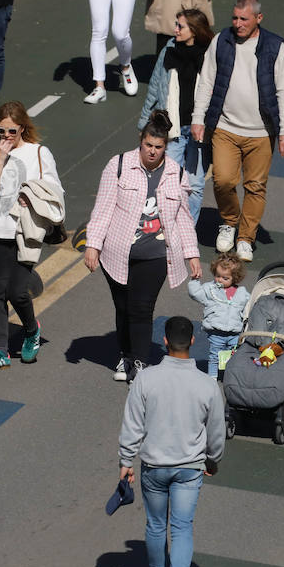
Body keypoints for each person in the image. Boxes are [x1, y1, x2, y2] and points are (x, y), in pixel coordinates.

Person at [118, 316, 225, 567]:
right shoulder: (207, 384)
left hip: (153, 466)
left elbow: (133, 424)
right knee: (181, 527)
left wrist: (126, 460)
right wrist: (212, 460)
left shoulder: (146, 379)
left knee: (155, 525)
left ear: (164, 341)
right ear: (192, 341)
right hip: (190, 467)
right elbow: (216, 431)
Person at [84, 111, 202, 382]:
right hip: (116, 253)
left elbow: (183, 217)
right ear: (141, 141)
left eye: (158, 147)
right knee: (123, 308)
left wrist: (191, 255)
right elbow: (102, 209)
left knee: (142, 308)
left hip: (156, 255)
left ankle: (139, 363)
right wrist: (93, 245)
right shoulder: (119, 165)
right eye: (148, 145)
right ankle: (125, 355)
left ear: (166, 147)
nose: (152, 151)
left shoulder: (177, 173)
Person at [191, 0, 284, 262]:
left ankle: (246, 238)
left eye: (244, 19)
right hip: (225, 127)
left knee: (255, 186)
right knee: (223, 180)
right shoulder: (221, 41)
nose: (237, 24)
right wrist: (198, 118)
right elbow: (206, 81)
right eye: (234, 18)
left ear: (258, 18)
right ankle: (228, 222)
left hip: (261, 132)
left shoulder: (274, 47)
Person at [0, 102, 61, 371]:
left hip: (27, 231)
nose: (6, 137)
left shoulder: (39, 153)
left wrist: (31, 196)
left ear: (22, 127)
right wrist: (0, 159)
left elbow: (55, 189)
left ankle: (32, 330)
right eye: (1, 130)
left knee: (17, 291)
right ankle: (0, 351)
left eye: (12, 131)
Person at [139, 9, 215, 221]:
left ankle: (187, 232)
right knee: (168, 181)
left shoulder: (210, 54)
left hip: (200, 131)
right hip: (173, 130)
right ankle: (167, 227)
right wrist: (144, 123)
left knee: (195, 184)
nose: (175, 29)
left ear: (195, 30)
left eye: (180, 26)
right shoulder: (169, 50)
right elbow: (154, 87)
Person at [186, 253, 249, 380]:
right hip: (216, 333)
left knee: (234, 356)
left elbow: (249, 307)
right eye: (217, 276)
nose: (219, 279)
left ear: (235, 278)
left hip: (234, 333)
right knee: (214, 356)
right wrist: (194, 281)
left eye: (225, 278)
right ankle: (212, 377)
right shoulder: (210, 289)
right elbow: (195, 293)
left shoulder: (242, 294)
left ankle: (230, 376)